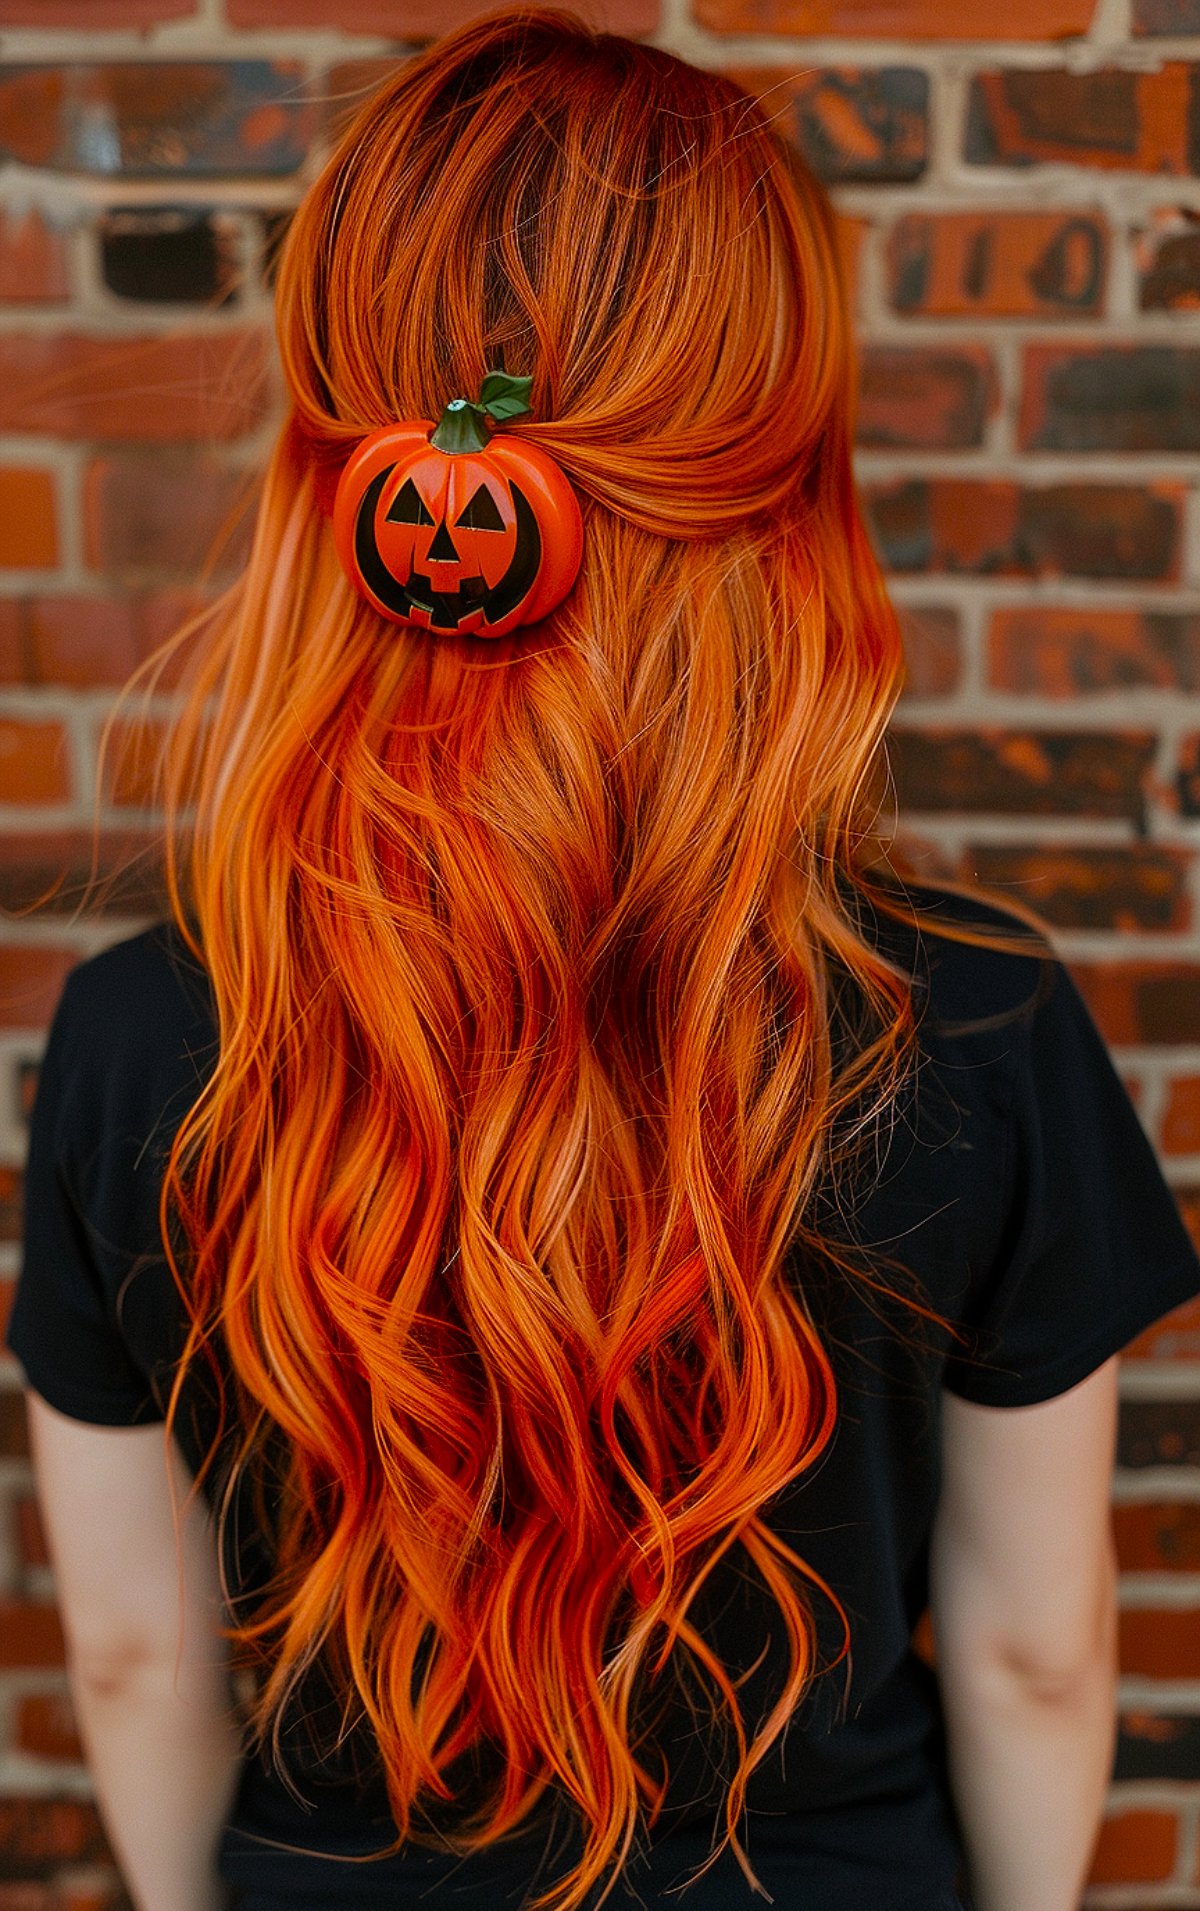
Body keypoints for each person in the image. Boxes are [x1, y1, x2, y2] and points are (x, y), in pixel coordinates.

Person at [6, 12, 1200, 1911]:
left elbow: (142, 1658)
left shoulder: (149, 1035)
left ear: (357, 481)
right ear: (771, 481)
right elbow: (1040, 1656)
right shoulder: (975, 1026)